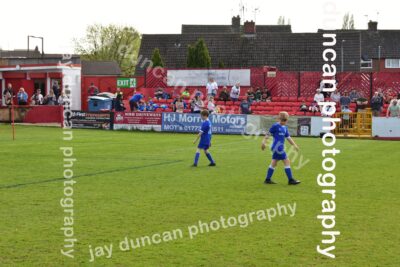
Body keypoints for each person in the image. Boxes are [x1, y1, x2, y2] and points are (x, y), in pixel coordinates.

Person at [261, 111, 301, 185]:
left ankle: (267, 179)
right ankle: (290, 180)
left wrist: (294, 145)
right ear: (279, 119)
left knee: (274, 163)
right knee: (287, 161)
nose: (284, 122)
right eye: (283, 120)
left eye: (285, 120)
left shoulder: (285, 128)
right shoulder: (275, 126)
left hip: (279, 148)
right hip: (277, 148)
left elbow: (288, 137)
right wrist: (263, 142)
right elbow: (268, 134)